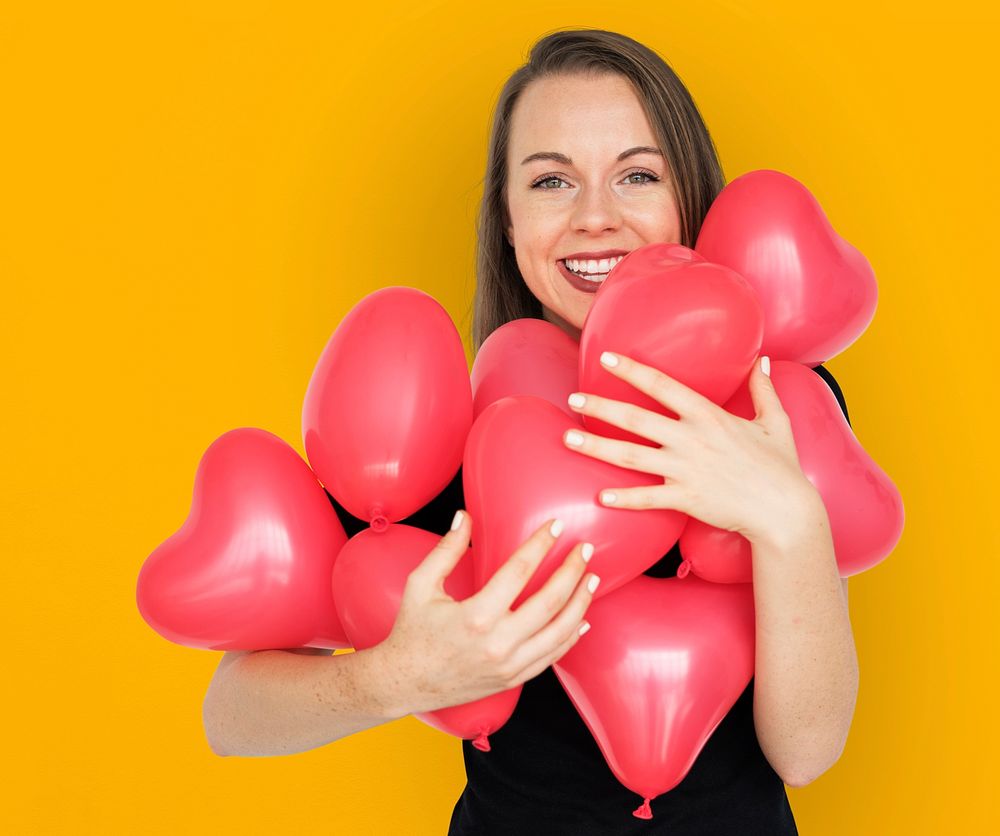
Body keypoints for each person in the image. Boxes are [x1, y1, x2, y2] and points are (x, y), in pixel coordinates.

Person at [202, 29, 859, 835]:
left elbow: (806, 752)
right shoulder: (433, 426)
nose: (595, 218)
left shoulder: (778, 404)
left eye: (638, 175)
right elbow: (229, 718)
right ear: (509, 225)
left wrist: (789, 518)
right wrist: (396, 679)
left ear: (691, 201)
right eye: (551, 181)